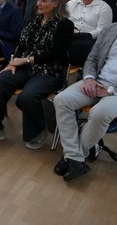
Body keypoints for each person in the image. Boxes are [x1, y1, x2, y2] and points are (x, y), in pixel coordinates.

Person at [0, 0, 74, 149]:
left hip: (49, 71)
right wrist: (13, 63)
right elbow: (21, 45)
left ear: (56, 3)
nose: (39, 4)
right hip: (24, 66)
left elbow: (57, 53)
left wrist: (27, 60)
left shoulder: (65, 25)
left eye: (44, 1)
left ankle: (37, 131)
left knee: (26, 98)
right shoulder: (34, 22)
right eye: (38, 0)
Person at [53, 22, 117, 182]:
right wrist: (89, 78)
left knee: (100, 113)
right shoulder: (111, 29)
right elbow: (92, 58)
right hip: (97, 81)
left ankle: (73, 157)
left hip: (114, 91)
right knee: (62, 100)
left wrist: (110, 91)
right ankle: (75, 158)